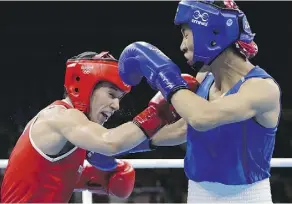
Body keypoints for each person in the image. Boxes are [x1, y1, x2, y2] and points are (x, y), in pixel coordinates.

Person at [118, 0, 281, 203]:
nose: (182, 46)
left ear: (211, 31)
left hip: (246, 198)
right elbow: (184, 129)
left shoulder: (262, 88)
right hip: (197, 194)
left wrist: (165, 77)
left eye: (186, 35)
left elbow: (202, 117)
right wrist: (127, 145)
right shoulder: (205, 78)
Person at [1, 51, 188, 202]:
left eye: (119, 98)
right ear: (86, 86)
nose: (117, 105)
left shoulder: (76, 130)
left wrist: (188, 112)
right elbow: (111, 143)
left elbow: (151, 138)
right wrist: (157, 112)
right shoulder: (60, 117)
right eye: (111, 95)